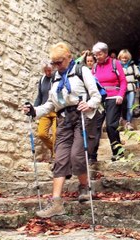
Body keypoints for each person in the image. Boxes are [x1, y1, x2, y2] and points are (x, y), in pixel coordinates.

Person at [24, 42, 101, 218]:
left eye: (60, 62)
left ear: (69, 57)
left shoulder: (82, 71)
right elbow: (51, 104)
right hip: (64, 119)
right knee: (60, 158)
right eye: (54, 63)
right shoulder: (55, 78)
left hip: (82, 116)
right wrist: (34, 111)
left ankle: (85, 187)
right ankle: (56, 202)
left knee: (76, 156)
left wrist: (88, 104)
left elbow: (96, 96)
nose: (57, 66)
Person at [91, 42, 127, 161]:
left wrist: (120, 95)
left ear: (106, 53)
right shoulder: (95, 67)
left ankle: (118, 152)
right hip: (99, 100)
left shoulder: (115, 63)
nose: (97, 57)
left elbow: (123, 81)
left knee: (111, 125)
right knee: (95, 126)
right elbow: (91, 83)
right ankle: (92, 155)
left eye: (99, 54)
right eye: (95, 55)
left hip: (113, 98)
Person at [34, 61, 57, 159]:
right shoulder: (42, 79)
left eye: (49, 70)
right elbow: (39, 96)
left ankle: (56, 158)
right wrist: (34, 109)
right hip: (45, 110)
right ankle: (55, 150)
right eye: (46, 71)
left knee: (56, 134)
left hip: (56, 110)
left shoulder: (57, 78)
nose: (48, 73)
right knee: (41, 133)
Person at [118, 49, 140, 131]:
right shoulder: (117, 67)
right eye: (122, 58)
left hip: (131, 88)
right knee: (121, 106)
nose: (124, 60)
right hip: (121, 89)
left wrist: (138, 86)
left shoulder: (133, 66)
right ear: (120, 58)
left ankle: (129, 122)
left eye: (126, 58)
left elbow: (138, 77)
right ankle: (122, 121)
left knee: (130, 106)